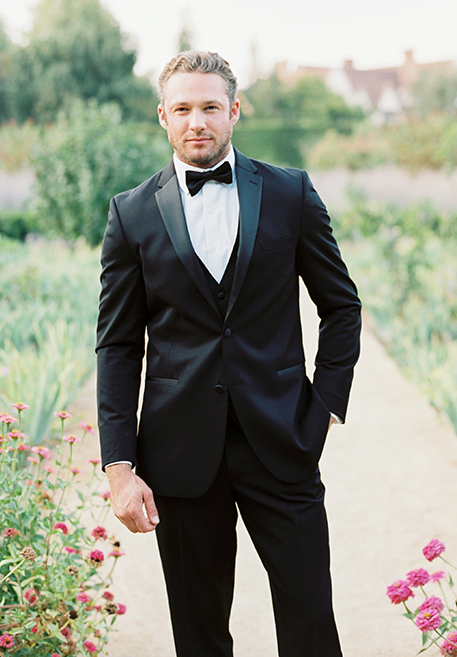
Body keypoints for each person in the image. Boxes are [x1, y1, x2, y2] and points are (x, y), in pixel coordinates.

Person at [96, 50, 361, 657]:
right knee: (199, 633)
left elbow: (342, 308)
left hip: (282, 442)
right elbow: (117, 344)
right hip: (179, 455)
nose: (198, 122)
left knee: (311, 623)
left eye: (211, 107)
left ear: (235, 111)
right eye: (183, 109)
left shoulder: (291, 193)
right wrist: (119, 466)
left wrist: (323, 408)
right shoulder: (131, 213)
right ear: (162, 115)